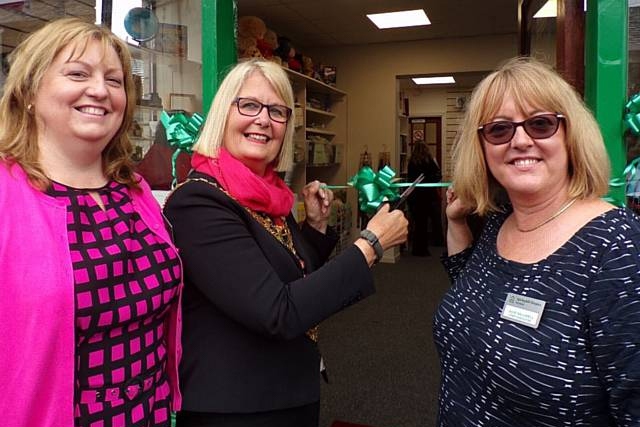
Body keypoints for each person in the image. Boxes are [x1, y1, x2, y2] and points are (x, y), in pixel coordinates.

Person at [163, 58, 408, 427]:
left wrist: (314, 227)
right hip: (238, 408)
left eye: (278, 111)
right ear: (222, 115)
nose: (263, 119)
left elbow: (290, 272)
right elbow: (277, 310)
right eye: (249, 105)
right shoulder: (199, 202)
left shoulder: (268, 193)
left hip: (287, 391)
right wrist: (370, 245)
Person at [434, 56, 640, 426]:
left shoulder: (618, 247)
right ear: (481, 147)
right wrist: (456, 223)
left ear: (570, 134)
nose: (521, 141)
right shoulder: (499, 224)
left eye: (541, 124)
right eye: (499, 130)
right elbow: (478, 298)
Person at [0, 18, 183, 427]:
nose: (100, 90)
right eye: (78, 74)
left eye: (115, 81)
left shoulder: (134, 191)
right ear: (29, 91)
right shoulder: (6, 196)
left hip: (151, 415)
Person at [407, 141, 443, 255]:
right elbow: (438, 176)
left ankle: (418, 249)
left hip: (415, 197)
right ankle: (438, 241)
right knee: (434, 220)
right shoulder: (429, 161)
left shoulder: (412, 162)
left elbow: (410, 179)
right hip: (429, 195)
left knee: (419, 224)